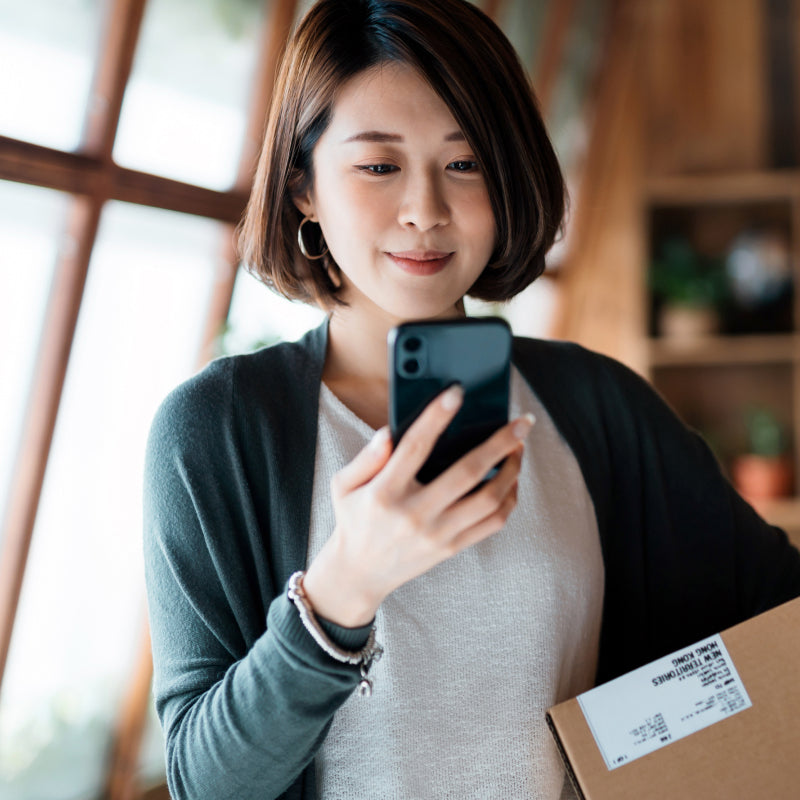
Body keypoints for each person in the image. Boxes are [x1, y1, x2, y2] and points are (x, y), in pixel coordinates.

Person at [142, 1, 800, 798]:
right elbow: (203, 784)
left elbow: (778, 626)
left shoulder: (595, 405)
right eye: (378, 166)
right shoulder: (219, 430)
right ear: (304, 190)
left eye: (465, 163)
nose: (426, 209)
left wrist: (639, 745)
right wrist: (344, 588)